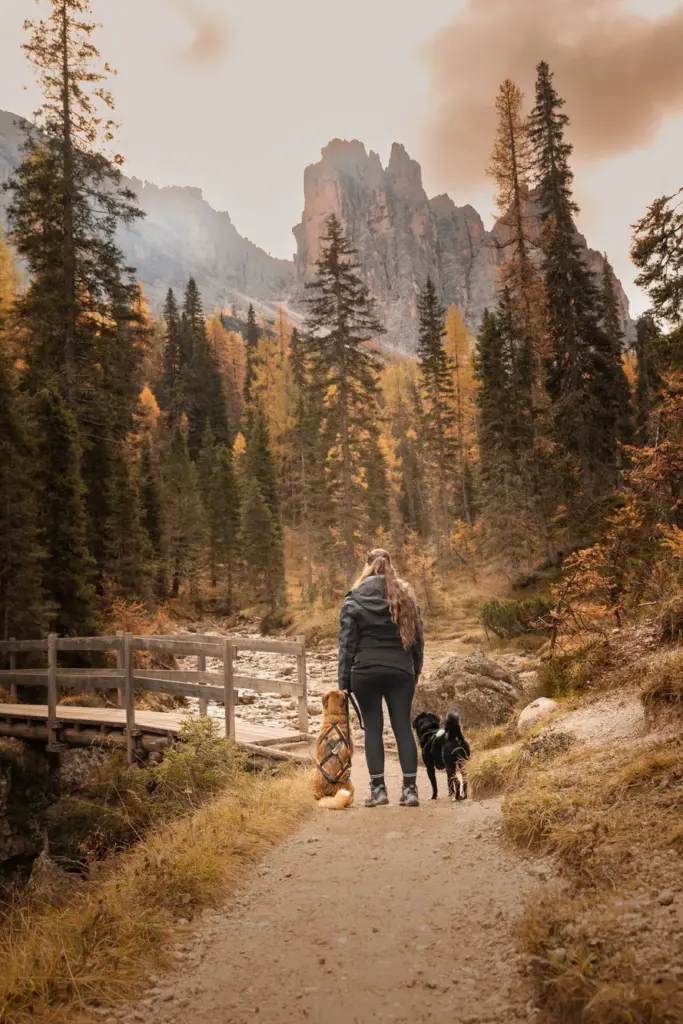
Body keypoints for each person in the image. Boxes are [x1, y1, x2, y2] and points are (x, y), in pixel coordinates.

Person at [338, 548, 424, 807]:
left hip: (365, 672)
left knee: (373, 729)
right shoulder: (406, 596)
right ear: (390, 564)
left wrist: (344, 682)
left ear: (367, 566)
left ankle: (379, 791)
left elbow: (347, 643)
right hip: (400, 671)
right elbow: (418, 641)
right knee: (402, 728)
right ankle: (410, 791)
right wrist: (415, 671)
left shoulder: (354, 597)